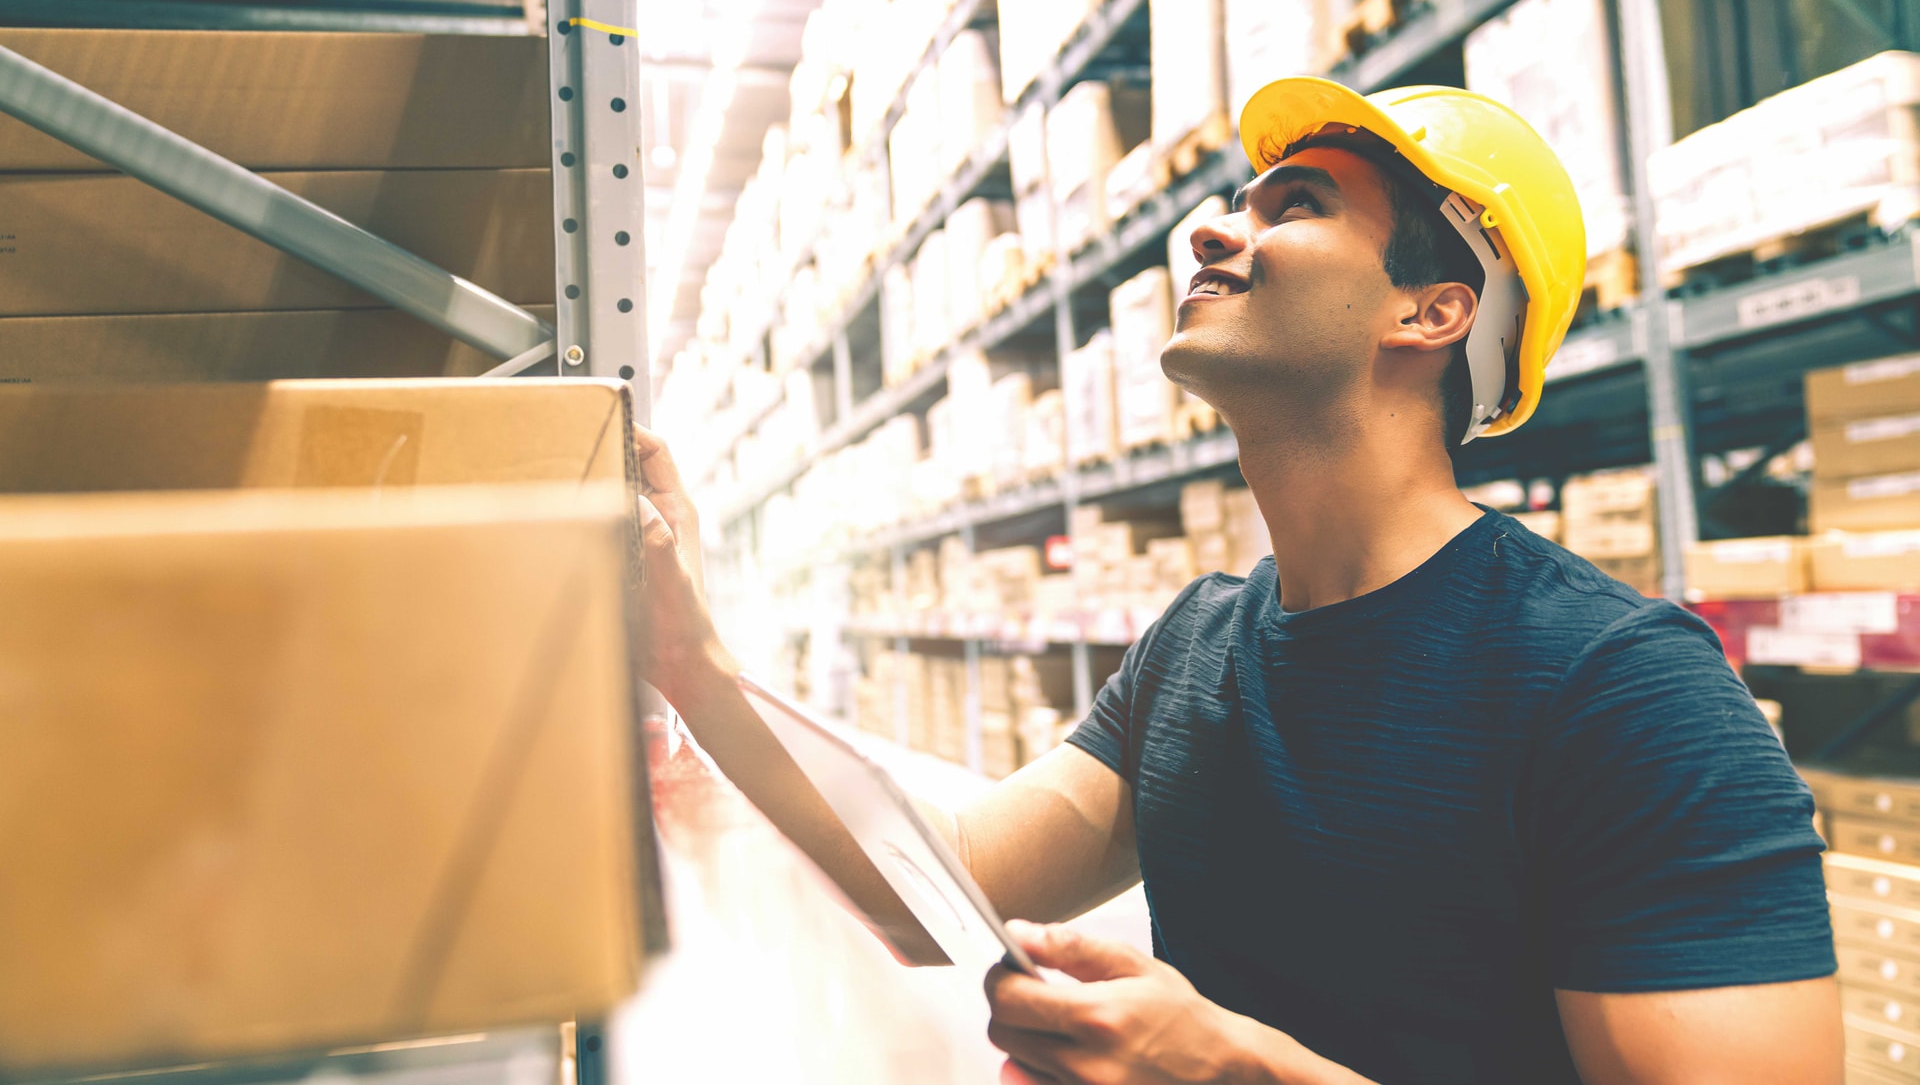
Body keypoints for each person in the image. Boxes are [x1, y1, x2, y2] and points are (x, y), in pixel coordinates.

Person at [631, 77, 1841, 1084]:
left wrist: (1234, 1071)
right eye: (1233, 207)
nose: (1212, 233)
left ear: (1432, 310)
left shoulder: (1619, 692)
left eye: (1296, 207)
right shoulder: (1200, 649)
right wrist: (691, 658)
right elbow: (932, 890)